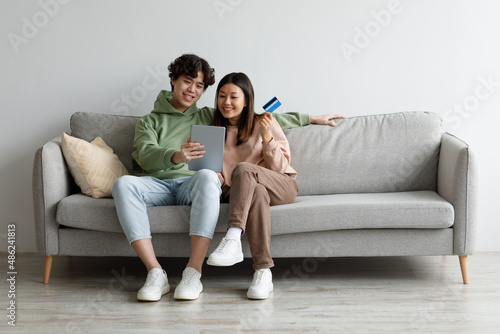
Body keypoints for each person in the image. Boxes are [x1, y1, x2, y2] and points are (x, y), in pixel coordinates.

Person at [112, 54, 344, 302]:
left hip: (204, 183)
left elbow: (257, 117)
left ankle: (195, 270)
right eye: (187, 82)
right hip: (158, 184)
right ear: (173, 81)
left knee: (213, 174)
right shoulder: (153, 121)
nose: (192, 90)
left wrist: (310, 118)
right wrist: (177, 155)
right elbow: (146, 154)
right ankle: (156, 273)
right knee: (123, 183)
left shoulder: (206, 117)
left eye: (199, 86)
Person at [206, 72, 297, 299]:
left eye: (233, 97)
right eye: (222, 96)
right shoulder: (212, 130)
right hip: (242, 192)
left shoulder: (264, 122)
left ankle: (233, 237)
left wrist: (267, 138)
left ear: (246, 100)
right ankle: (263, 272)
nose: (226, 102)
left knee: (244, 169)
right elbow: (212, 172)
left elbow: (279, 168)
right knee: (254, 190)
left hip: (280, 184)